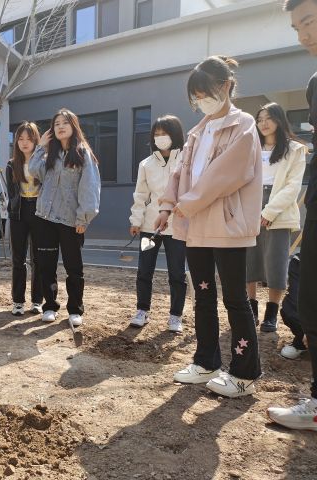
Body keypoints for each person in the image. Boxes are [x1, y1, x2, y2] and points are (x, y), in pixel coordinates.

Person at [156, 55, 262, 398]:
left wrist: (184, 205)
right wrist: (167, 205)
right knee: (202, 294)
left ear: (226, 86)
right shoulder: (197, 132)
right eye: (195, 96)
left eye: (205, 93)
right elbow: (179, 173)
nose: (200, 101)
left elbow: (224, 176)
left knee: (235, 298)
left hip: (228, 227)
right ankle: (206, 362)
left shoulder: (243, 125)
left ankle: (245, 372)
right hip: (196, 225)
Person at [267, 0, 317, 430]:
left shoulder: (292, 150)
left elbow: (287, 185)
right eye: (296, 27)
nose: (303, 34)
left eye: (310, 22)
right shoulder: (314, 84)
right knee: (310, 298)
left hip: (284, 219)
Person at [28, 108, 101, 327]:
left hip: (71, 220)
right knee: (46, 265)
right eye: (56, 123)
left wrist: (83, 219)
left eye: (64, 123)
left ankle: (75, 309)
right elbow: (33, 170)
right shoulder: (49, 153)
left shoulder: (82, 153)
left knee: (73, 268)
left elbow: (90, 187)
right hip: (45, 217)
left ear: (73, 126)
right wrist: (40, 146)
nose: (60, 126)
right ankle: (49, 306)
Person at [246, 103, 307, 332]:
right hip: (250, 205)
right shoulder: (251, 147)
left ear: (280, 120)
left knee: (276, 262)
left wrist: (269, 212)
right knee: (248, 259)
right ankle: (251, 309)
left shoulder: (295, 150)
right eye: (260, 118)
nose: (263, 123)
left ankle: (271, 312)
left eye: (268, 118)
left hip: (278, 208)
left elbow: (293, 186)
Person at [129, 115, 187, 333]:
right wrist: (136, 220)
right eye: (157, 134)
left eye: (165, 133)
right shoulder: (146, 164)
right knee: (144, 270)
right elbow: (141, 195)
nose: (161, 138)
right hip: (149, 230)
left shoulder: (185, 160)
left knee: (177, 274)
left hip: (178, 228)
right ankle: (142, 311)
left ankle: (175, 316)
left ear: (176, 135)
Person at [5, 121, 43, 316]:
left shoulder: (43, 161)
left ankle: (37, 301)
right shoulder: (12, 164)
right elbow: (12, 193)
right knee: (18, 259)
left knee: (37, 259)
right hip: (18, 213)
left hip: (39, 211)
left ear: (36, 140)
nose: (24, 143)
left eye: (29, 139)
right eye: (20, 139)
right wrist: (12, 209)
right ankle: (18, 301)